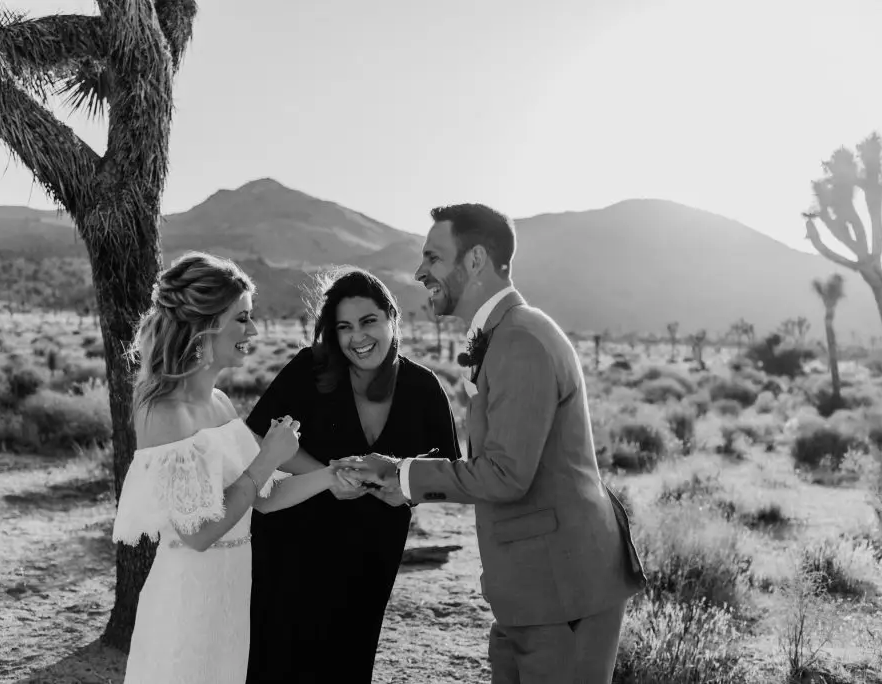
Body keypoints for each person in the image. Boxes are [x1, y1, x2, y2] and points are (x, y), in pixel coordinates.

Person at [337, 204, 648, 684]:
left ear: (476, 259)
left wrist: (404, 475)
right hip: (532, 587)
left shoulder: (521, 340)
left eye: (433, 258)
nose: (420, 272)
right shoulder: (505, 335)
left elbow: (506, 473)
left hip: (562, 593)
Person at [110, 252, 362, 684]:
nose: (254, 330)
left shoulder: (220, 403)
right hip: (187, 598)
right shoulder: (162, 413)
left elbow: (261, 498)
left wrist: (329, 477)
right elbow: (198, 532)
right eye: (242, 319)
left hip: (231, 589)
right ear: (206, 324)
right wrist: (267, 458)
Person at [245, 267, 462, 684]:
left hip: (371, 549)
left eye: (369, 322)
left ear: (392, 318)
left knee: (349, 656)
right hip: (292, 541)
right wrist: (330, 475)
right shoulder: (309, 369)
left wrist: (405, 491)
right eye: (344, 327)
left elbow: (449, 472)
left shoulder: (424, 388)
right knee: (277, 657)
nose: (358, 338)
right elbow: (259, 436)